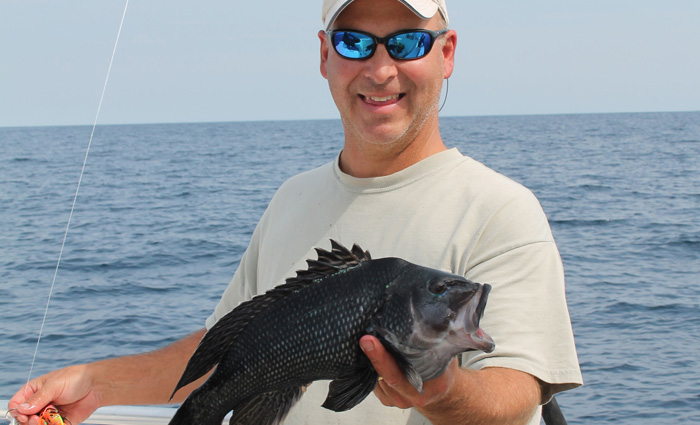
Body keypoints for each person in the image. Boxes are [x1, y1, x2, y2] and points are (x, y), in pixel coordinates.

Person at [9, 0, 583, 424]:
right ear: (325, 55)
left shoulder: (501, 209)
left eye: (407, 43)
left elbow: (517, 393)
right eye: (355, 42)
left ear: (447, 54)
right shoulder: (293, 198)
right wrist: (96, 383)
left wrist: (440, 393)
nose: (381, 70)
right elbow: (230, 350)